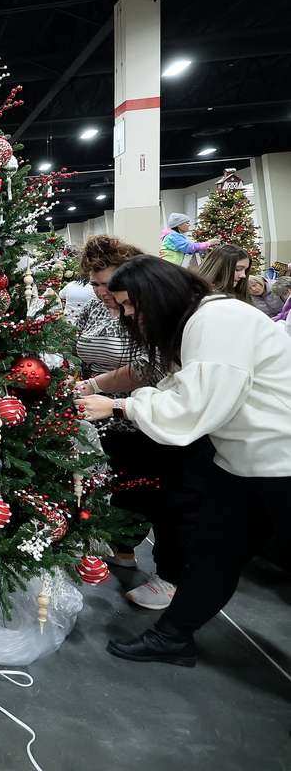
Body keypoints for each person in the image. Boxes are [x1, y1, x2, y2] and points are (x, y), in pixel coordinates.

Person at [76, 256, 291, 666]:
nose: (127, 315)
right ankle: (173, 636)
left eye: (129, 305)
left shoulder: (218, 320)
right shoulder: (195, 323)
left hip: (280, 462)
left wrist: (119, 407)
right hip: (243, 461)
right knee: (215, 551)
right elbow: (180, 384)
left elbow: (193, 406)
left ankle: (173, 634)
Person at [70, 237, 205, 609]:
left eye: (109, 283)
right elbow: (75, 343)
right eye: (95, 284)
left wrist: (99, 386)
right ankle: (123, 548)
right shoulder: (96, 310)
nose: (102, 292)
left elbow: (151, 366)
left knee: (161, 497)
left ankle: (169, 574)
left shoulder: (152, 315)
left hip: (145, 414)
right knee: (121, 487)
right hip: (103, 413)